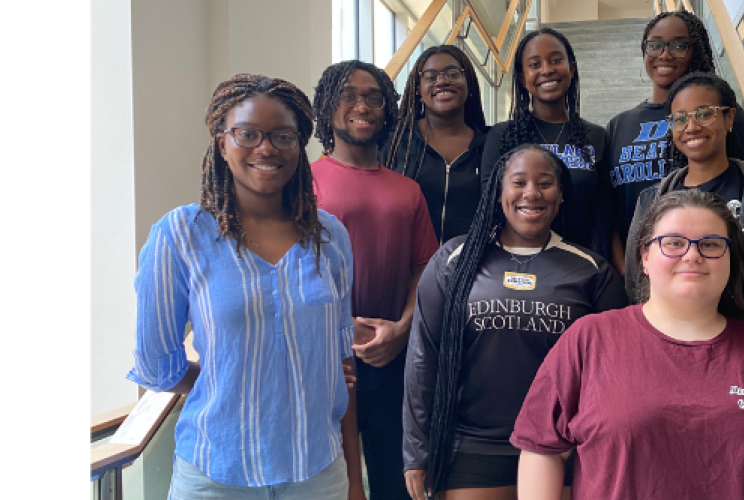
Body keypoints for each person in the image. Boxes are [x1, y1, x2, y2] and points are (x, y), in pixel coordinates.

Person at [512, 189, 744, 499]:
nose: (693, 255)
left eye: (711, 244)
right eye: (673, 243)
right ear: (644, 256)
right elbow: (541, 450)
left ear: (731, 259)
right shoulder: (589, 339)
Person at [128, 74, 363, 499]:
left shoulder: (329, 237)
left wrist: (353, 479)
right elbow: (155, 364)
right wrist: (227, 376)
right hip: (216, 473)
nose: (267, 148)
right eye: (247, 134)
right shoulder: (180, 235)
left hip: (317, 471)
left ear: (299, 146)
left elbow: (340, 368)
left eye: (283, 136)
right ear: (222, 144)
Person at [403, 144, 628, 500]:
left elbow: (612, 375)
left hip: (562, 448)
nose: (531, 194)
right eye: (519, 182)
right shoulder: (454, 260)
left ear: (561, 194)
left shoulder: (591, 270)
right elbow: (422, 358)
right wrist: (417, 452)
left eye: (545, 183)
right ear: (498, 193)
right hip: (472, 448)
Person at [311, 60, 439, 500]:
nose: (361, 105)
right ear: (328, 107)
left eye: (373, 97)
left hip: (392, 361)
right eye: (348, 94)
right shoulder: (303, 182)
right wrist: (338, 333)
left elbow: (425, 266)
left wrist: (401, 330)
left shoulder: (408, 190)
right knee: (333, 486)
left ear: (387, 110)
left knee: (394, 483)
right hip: (325, 361)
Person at [623, 72, 744, 333]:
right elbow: (636, 280)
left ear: (728, 118)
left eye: (704, 114)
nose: (691, 127)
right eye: (680, 119)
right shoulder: (651, 199)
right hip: (670, 341)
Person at [604, 10, 744, 272]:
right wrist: (628, 276)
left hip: (703, 266)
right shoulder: (619, 125)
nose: (665, 54)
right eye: (655, 44)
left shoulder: (719, 116)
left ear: (695, 51)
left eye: (679, 45)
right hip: (639, 273)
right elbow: (610, 212)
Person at [480, 27, 614, 259]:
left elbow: (605, 216)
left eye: (555, 60)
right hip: (515, 262)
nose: (546, 70)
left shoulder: (596, 136)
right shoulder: (503, 136)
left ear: (571, 69)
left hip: (580, 265)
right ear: (522, 78)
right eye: (534, 64)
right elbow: (490, 206)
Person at [383, 45, 489, 244]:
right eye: (431, 77)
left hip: (473, 269)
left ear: (469, 83)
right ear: (418, 89)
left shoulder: (489, 145)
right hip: (407, 269)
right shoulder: (394, 141)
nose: (442, 81)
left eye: (453, 74)